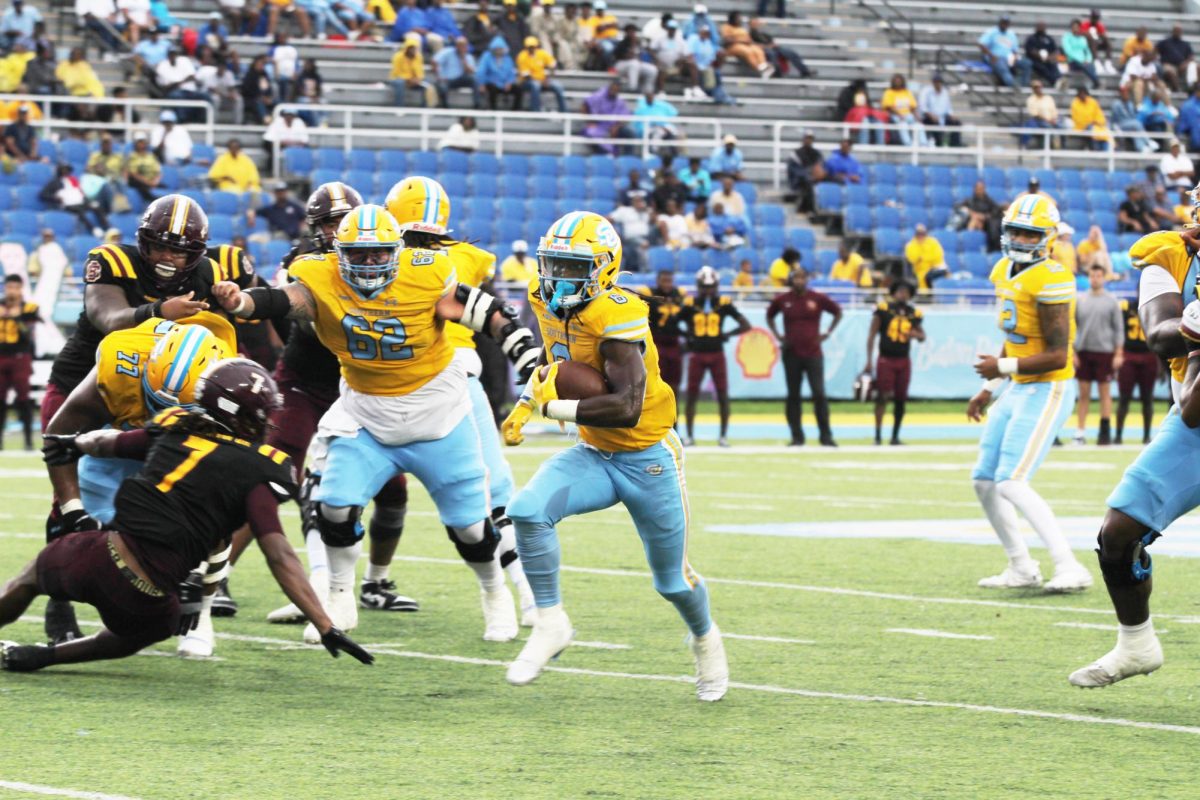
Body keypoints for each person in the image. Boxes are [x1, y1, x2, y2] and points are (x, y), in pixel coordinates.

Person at [214, 204, 540, 644]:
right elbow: (283, 301)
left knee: (470, 526)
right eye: (359, 254)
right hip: (366, 412)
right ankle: (338, 594)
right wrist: (241, 302)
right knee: (334, 505)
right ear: (339, 251)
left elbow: (490, 313)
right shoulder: (320, 274)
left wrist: (530, 361)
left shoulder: (425, 274)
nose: (369, 263)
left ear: (397, 251)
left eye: (378, 253)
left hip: (438, 413)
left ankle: (493, 591)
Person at [1, 359, 373, 673]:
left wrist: (72, 442)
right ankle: (42, 657)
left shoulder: (175, 430)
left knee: (29, 579)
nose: (269, 422)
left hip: (95, 558)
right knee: (136, 635)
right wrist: (323, 624)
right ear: (245, 418)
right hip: (150, 600)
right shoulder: (260, 470)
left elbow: (106, 442)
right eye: (264, 414)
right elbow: (279, 555)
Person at [499, 211, 727, 701]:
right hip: (594, 454)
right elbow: (555, 362)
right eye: (553, 264)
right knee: (526, 510)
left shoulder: (618, 313)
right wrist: (525, 402)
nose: (558, 278)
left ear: (604, 269)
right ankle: (550, 620)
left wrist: (548, 408)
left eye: (572, 267)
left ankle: (705, 637)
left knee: (672, 581)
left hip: (648, 458)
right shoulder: (545, 299)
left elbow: (626, 408)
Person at [37, 195, 253, 643]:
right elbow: (107, 316)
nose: (168, 258)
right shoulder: (112, 259)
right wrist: (157, 311)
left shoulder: (209, 271)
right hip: (93, 382)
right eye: (159, 247)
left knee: (176, 488)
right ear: (142, 242)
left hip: (164, 390)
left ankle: (189, 585)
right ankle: (57, 598)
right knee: (68, 499)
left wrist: (233, 298)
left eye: (178, 251)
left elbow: (227, 329)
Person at [259, 182, 420, 624]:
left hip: (363, 383)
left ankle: (376, 581)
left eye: (342, 219)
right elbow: (301, 320)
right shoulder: (305, 263)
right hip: (308, 380)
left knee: (394, 488)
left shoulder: (387, 257)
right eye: (329, 222)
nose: (337, 229)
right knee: (276, 470)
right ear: (316, 228)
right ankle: (213, 580)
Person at [385, 176, 536, 627]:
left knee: (335, 489)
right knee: (494, 493)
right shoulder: (468, 258)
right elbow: (491, 323)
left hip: (396, 379)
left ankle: (331, 590)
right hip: (460, 375)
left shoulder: (381, 258)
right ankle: (529, 598)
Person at [1065, 210, 1200, 687]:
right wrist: (1196, 321)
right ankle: (1136, 644)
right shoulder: (1169, 255)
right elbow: (1159, 336)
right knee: (1118, 534)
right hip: (1197, 425)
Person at [966, 195, 1092, 594]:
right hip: (1018, 387)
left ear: (1048, 237)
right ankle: (1021, 566)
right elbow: (1015, 341)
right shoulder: (1003, 269)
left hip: (1049, 387)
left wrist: (999, 370)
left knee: (1012, 481)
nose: (1020, 238)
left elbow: (1057, 355)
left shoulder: (1054, 277)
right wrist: (990, 387)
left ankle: (1069, 565)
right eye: (1015, 230)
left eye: (1029, 232)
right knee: (984, 481)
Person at [676, 266, 749, 447]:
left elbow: (745, 325)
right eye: (704, 286)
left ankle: (723, 436)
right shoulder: (690, 304)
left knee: (723, 395)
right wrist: (687, 337)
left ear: (716, 286)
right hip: (697, 354)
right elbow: (672, 323)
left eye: (711, 286)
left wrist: (727, 335)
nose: (708, 290)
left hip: (716, 353)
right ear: (698, 286)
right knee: (691, 395)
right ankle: (690, 436)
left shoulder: (723, 303)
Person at [767, 267, 840, 447]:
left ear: (807, 280)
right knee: (793, 395)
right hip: (791, 352)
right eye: (796, 278)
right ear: (791, 280)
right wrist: (778, 335)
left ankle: (825, 435)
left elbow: (837, 311)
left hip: (813, 352)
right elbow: (769, 315)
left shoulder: (817, 298)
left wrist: (827, 333)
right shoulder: (783, 300)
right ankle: (797, 436)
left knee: (819, 393)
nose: (799, 281)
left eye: (802, 278)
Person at [865, 279, 924, 446]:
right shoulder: (883, 309)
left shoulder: (913, 313)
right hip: (886, 359)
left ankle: (895, 436)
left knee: (900, 399)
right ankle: (877, 436)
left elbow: (922, 336)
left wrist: (916, 335)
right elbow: (871, 335)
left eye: (906, 291)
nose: (903, 294)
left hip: (904, 360)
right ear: (893, 293)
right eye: (900, 291)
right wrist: (869, 360)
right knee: (882, 397)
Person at [1073, 263, 1124, 446]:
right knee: (1084, 393)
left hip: (1105, 352)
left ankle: (1105, 431)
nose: (1095, 279)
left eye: (1098, 276)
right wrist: (1073, 352)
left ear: (1103, 277)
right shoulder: (1081, 300)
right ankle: (1080, 432)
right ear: (1088, 278)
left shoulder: (1111, 300)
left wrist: (1118, 353)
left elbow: (1119, 329)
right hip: (1084, 351)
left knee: (1105, 393)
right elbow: (1073, 328)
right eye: (1092, 275)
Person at [636, 269, 686, 407]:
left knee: (674, 384)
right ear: (658, 281)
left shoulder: (679, 295)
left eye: (669, 281)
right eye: (664, 281)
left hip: (674, 343)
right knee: (654, 382)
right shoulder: (649, 293)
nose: (667, 284)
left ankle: (674, 419)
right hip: (655, 343)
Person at [0, 274, 38, 450]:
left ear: (21, 288)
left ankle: (28, 440)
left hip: (20, 357)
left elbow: (28, 335)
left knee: (23, 399)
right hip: (1, 357)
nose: (12, 291)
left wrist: (16, 318)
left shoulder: (29, 308)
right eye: (9, 287)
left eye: (15, 287)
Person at [1114, 297, 1157, 446]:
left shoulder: (1155, 306)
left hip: (1148, 354)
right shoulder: (1127, 307)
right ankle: (1118, 435)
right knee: (1124, 398)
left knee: (1147, 398)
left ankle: (1146, 435)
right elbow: (1119, 331)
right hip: (1129, 354)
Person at [40, 162, 109, 237]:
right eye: (63, 170)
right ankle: (93, 229)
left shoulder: (74, 181)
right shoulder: (54, 182)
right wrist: (56, 198)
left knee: (96, 206)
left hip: (80, 202)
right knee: (79, 212)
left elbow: (81, 193)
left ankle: (107, 228)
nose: (66, 172)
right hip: (68, 205)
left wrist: (87, 201)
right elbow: (43, 195)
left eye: (67, 170)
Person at [515, 35, 565, 113]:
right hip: (526, 82)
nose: (531, 48)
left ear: (536, 46)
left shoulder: (541, 53)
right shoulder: (522, 56)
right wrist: (541, 81)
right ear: (526, 47)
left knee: (558, 86)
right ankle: (535, 111)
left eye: (533, 46)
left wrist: (548, 78)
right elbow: (526, 76)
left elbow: (553, 64)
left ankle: (564, 111)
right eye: (529, 47)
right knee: (535, 85)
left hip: (542, 80)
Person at [977, 14, 1029, 88]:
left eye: (1006, 23)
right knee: (1002, 67)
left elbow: (1015, 50)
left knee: (1027, 63)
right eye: (1003, 22)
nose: (1004, 24)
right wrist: (991, 55)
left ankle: (1023, 85)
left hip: (1009, 58)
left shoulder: (1011, 34)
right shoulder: (992, 32)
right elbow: (981, 44)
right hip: (995, 57)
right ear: (999, 22)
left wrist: (1014, 58)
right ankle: (1012, 85)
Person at [719, 11, 771, 78]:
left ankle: (763, 66)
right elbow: (727, 40)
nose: (739, 20)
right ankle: (759, 69)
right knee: (747, 51)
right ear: (732, 19)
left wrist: (752, 42)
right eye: (737, 18)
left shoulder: (742, 28)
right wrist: (741, 40)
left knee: (757, 50)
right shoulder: (726, 27)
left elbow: (749, 39)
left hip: (746, 45)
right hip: (732, 46)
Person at [434, 36, 480, 108]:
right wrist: (439, 76)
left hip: (461, 79)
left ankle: (477, 106)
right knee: (442, 86)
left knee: (474, 80)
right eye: (460, 45)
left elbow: (471, 71)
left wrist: (463, 59)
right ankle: (444, 107)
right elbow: (435, 61)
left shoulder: (468, 56)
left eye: (464, 45)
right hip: (447, 79)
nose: (462, 47)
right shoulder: (447, 52)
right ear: (456, 45)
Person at [881, 73, 927, 147]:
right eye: (896, 81)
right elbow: (888, 107)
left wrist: (917, 117)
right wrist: (899, 114)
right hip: (894, 116)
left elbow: (913, 107)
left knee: (919, 125)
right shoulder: (889, 92)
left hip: (908, 115)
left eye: (899, 81)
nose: (898, 82)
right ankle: (908, 144)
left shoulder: (907, 92)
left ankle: (924, 144)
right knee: (903, 125)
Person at [477, 34, 520, 110]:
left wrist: (509, 82)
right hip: (491, 83)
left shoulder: (507, 58)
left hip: (505, 84)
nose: (498, 51)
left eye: (500, 49)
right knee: (492, 89)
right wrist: (481, 83)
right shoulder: (486, 57)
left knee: (518, 89)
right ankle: (493, 109)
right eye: (496, 49)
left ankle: (515, 110)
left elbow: (511, 72)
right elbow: (481, 71)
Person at [609, 194, 651, 272]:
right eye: (637, 201)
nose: (639, 203)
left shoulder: (646, 212)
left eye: (641, 201)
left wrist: (647, 210)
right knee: (643, 245)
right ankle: (645, 272)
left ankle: (645, 272)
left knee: (646, 245)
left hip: (647, 238)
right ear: (632, 202)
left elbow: (656, 221)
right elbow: (609, 218)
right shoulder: (625, 211)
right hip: (630, 239)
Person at [917, 74, 961, 147]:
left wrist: (952, 116)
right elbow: (922, 107)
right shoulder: (926, 91)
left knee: (956, 123)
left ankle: (955, 144)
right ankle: (939, 143)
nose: (938, 83)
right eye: (936, 82)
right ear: (933, 82)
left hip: (942, 117)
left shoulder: (945, 92)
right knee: (935, 122)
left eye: (939, 82)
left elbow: (948, 108)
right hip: (928, 117)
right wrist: (930, 115)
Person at [390, 33, 432, 108]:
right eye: (411, 48)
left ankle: (425, 107)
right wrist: (408, 79)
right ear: (407, 48)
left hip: (413, 80)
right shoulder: (398, 57)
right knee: (400, 83)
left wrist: (418, 79)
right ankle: (399, 107)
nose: (413, 50)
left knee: (428, 83)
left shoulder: (418, 57)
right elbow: (397, 72)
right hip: (398, 78)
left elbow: (420, 71)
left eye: (415, 48)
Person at [1110, 84, 1155, 154]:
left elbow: (1133, 116)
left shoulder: (1130, 103)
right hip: (1121, 124)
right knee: (1136, 124)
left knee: (1135, 129)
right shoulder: (1116, 104)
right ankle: (1148, 141)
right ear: (1120, 94)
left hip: (1130, 124)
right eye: (1123, 93)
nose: (1125, 94)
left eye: (1126, 92)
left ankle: (1141, 148)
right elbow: (1113, 119)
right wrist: (1115, 128)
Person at [904, 224, 947, 291]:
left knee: (931, 275)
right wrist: (922, 258)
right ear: (915, 234)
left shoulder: (933, 242)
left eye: (923, 233)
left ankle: (931, 294)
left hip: (935, 267)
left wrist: (923, 258)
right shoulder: (910, 245)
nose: (921, 235)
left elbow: (937, 256)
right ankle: (928, 296)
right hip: (919, 270)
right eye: (919, 233)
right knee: (921, 278)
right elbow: (912, 259)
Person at [1071, 86, 1111, 151]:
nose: (1083, 95)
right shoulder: (1075, 103)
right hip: (1081, 127)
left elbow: (1099, 115)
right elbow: (1077, 119)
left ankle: (1105, 154)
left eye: (1084, 93)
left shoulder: (1092, 102)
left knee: (1105, 132)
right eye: (1081, 94)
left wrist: (1099, 122)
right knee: (1091, 130)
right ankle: (1096, 151)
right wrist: (1091, 122)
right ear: (1078, 95)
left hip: (1095, 126)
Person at [124, 132, 161, 203]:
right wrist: (148, 183)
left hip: (152, 181)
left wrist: (155, 182)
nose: (141, 144)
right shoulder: (132, 156)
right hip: (139, 182)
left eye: (143, 142)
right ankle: (153, 199)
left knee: (165, 187)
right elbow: (134, 174)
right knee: (138, 184)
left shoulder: (151, 156)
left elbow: (158, 172)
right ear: (135, 143)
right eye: (139, 142)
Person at [1156, 24, 1194, 93]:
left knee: (1195, 67)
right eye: (1176, 31)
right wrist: (1159, 61)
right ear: (1172, 31)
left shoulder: (1185, 44)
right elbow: (1155, 51)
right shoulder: (1165, 42)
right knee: (1170, 71)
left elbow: (1191, 57)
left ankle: (1193, 88)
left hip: (1181, 65)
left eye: (1179, 31)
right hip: (1167, 64)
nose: (1177, 32)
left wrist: (1185, 63)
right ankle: (1177, 89)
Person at [1062, 18, 1099, 89]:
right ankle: (1096, 81)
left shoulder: (1082, 38)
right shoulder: (1067, 37)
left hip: (1084, 63)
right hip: (1072, 61)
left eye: (1077, 27)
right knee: (1083, 65)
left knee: (1090, 64)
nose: (1075, 29)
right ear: (1071, 28)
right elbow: (1068, 51)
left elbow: (1087, 51)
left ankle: (1095, 83)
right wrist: (1081, 61)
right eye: (1074, 27)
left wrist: (1088, 59)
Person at [1081, 8, 1117, 76]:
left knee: (1108, 43)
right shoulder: (1085, 24)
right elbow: (1082, 35)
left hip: (1096, 43)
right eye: (1094, 17)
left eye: (1097, 18)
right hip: (1086, 45)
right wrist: (1090, 35)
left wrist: (1103, 37)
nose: (1095, 20)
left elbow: (1103, 35)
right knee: (1092, 41)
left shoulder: (1099, 25)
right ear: (1091, 17)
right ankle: (1096, 63)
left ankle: (1108, 63)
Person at [1024, 21, 1060, 86]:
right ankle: (1055, 82)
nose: (1041, 28)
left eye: (1042, 26)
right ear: (1036, 28)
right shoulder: (1032, 38)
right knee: (1043, 69)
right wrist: (1040, 56)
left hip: (1048, 60)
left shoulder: (1049, 38)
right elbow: (1030, 50)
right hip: (1035, 60)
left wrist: (1049, 57)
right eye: (1039, 26)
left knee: (1054, 65)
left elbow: (1055, 50)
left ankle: (1059, 80)